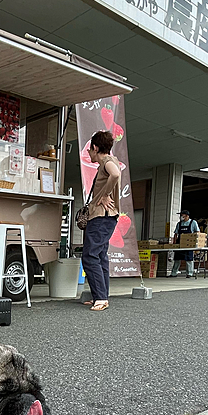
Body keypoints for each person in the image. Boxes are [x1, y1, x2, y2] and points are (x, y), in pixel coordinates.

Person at [82, 130, 121, 311]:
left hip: (101, 216)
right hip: (107, 217)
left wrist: (105, 194)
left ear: (95, 148)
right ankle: (101, 295)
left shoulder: (106, 162)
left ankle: (101, 298)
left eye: (90, 150)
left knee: (90, 256)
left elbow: (115, 175)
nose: (89, 153)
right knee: (100, 256)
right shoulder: (109, 162)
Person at [171, 209, 200, 277]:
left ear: (187, 216)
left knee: (189, 259)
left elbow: (197, 232)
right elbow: (176, 234)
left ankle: (189, 273)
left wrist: (195, 242)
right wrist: (174, 243)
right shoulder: (179, 223)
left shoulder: (193, 222)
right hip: (180, 243)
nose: (181, 216)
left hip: (189, 243)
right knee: (177, 259)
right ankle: (174, 273)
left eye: (182, 215)